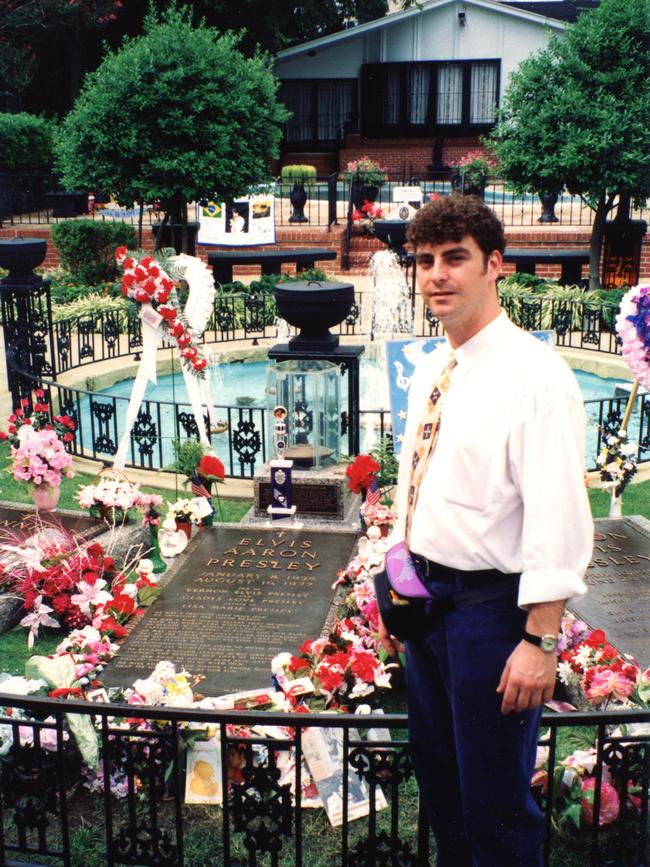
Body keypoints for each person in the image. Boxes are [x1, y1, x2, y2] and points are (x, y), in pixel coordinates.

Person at [379, 195, 593, 866]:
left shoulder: (536, 377)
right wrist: (398, 579)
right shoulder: (438, 368)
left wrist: (540, 638)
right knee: (444, 791)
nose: (436, 275)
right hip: (429, 609)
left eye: (455, 259)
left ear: (494, 265)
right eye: (425, 261)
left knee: (495, 806)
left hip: (492, 616)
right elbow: (414, 486)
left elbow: (557, 512)